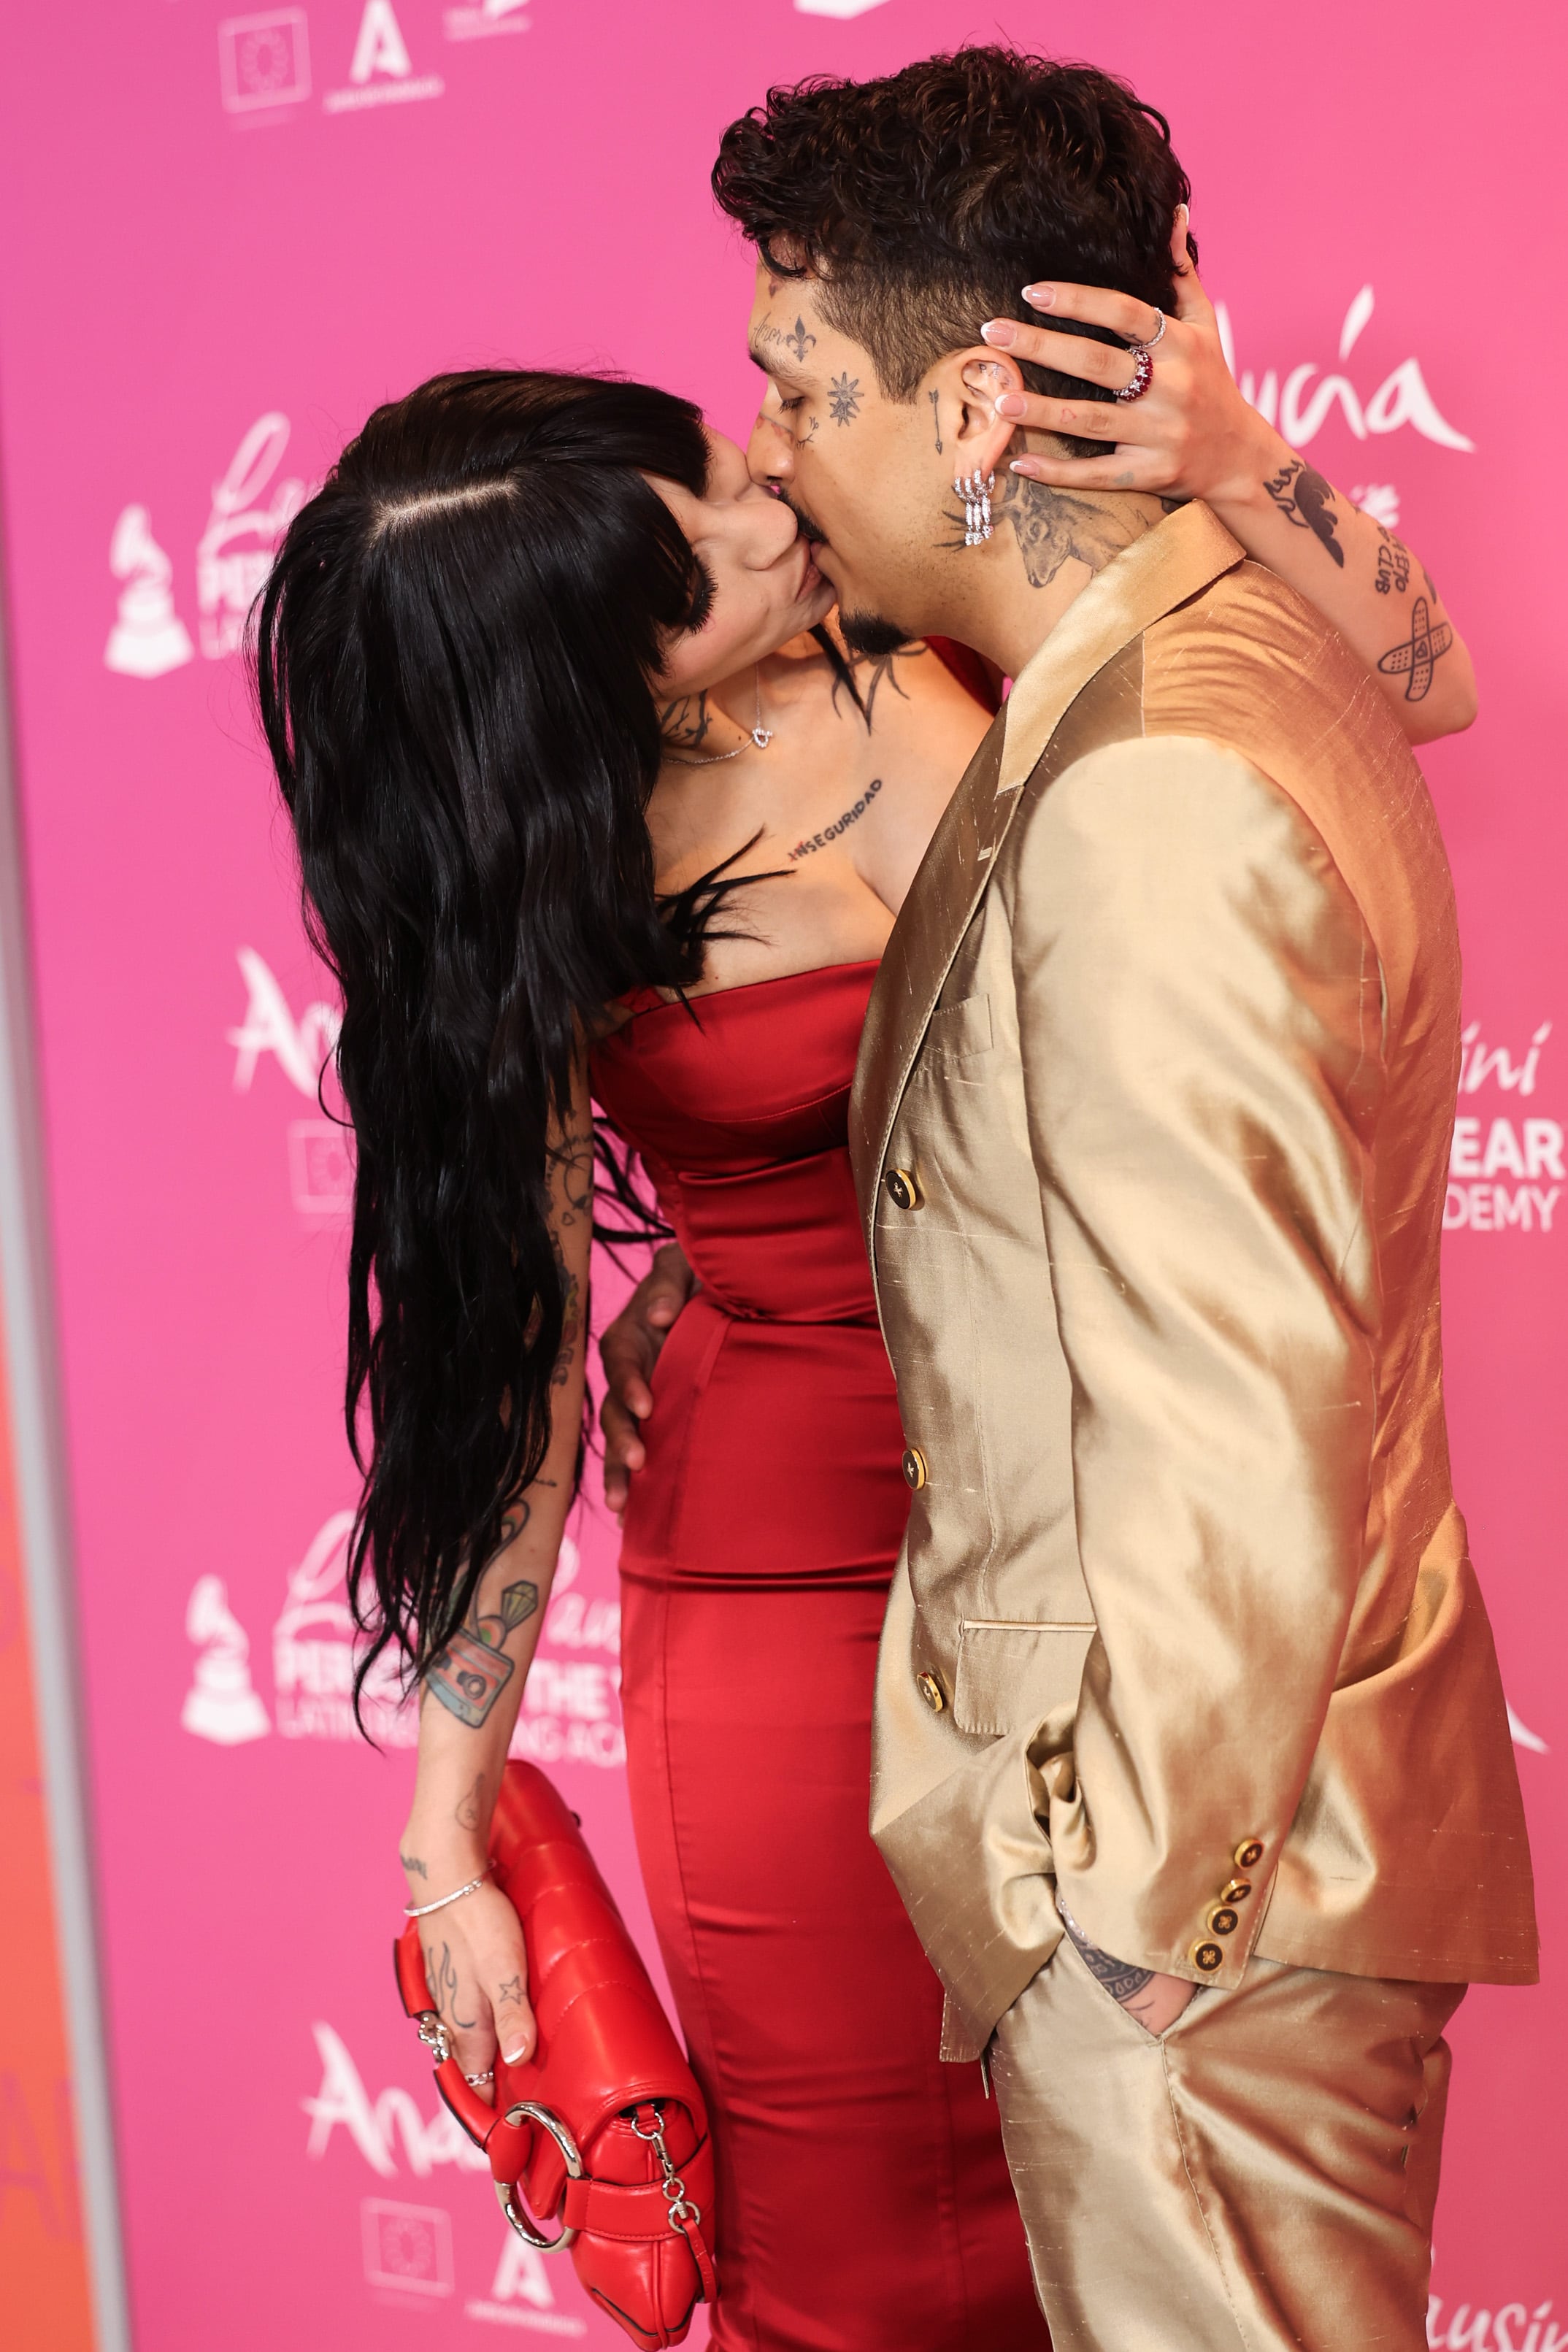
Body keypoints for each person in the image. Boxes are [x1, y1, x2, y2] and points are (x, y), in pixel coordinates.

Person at [254, 142, 1486, 2352]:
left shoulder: (958, 605)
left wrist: (1234, 454)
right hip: (789, 1604)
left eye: (718, 458)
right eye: (692, 554)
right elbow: (516, 1375)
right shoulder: (561, 906)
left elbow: (1406, 676)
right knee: (860, 2263)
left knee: (1142, 2197)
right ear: (582, 691)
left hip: (1119, 1540)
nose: (762, 503)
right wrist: (450, 1829)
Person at [656, 45, 1528, 2352]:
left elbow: (1233, 1415)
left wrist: (1126, 1931)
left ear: (965, 411)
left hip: (1201, 1920)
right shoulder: (1212, 652)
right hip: (1238, 1869)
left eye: (801, 384)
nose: (764, 448)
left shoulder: (1152, 775)